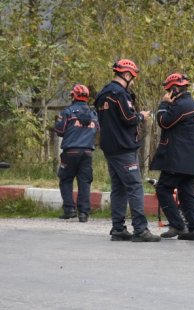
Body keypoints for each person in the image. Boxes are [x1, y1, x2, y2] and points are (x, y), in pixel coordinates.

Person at [94, 59, 160, 242]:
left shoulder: (102, 94)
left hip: (110, 147)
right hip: (124, 148)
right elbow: (128, 118)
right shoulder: (119, 94)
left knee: (119, 188)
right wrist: (141, 116)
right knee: (135, 187)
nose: (134, 81)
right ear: (127, 74)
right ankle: (140, 230)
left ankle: (118, 229)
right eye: (133, 77)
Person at [149, 73, 194, 241]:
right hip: (190, 160)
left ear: (174, 89)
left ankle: (178, 225)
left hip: (177, 159)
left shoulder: (182, 106)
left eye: (168, 90)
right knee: (186, 193)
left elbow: (164, 122)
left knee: (163, 189)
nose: (166, 93)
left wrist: (164, 104)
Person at [54, 84, 99, 223]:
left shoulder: (67, 112)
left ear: (73, 95)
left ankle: (69, 210)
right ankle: (83, 213)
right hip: (87, 152)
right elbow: (97, 130)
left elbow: (60, 131)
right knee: (84, 182)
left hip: (70, 151)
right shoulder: (93, 114)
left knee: (65, 179)